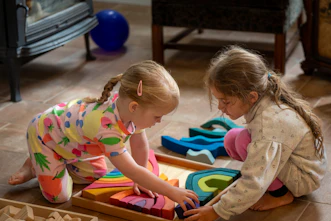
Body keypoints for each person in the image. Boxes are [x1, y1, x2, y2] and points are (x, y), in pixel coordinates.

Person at [8, 60, 198, 210]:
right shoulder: (105, 129)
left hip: (75, 146)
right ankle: (34, 165)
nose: (160, 121)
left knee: (97, 177)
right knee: (59, 197)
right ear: (134, 107)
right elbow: (131, 170)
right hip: (45, 137)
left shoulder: (130, 112)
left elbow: (139, 146)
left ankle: (61, 163)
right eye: (158, 116)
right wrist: (171, 191)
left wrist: (142, 180)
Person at [184, 46, 327, 221]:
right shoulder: (263, 96)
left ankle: (281, 194)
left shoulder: (268, 126)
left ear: (251, 97)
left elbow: (254, 180)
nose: (220, 107)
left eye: (226, 101)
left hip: (305, 177)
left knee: (245, 142)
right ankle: (276, 186)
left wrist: (216, 211)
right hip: (297, 163)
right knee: (233, 138)